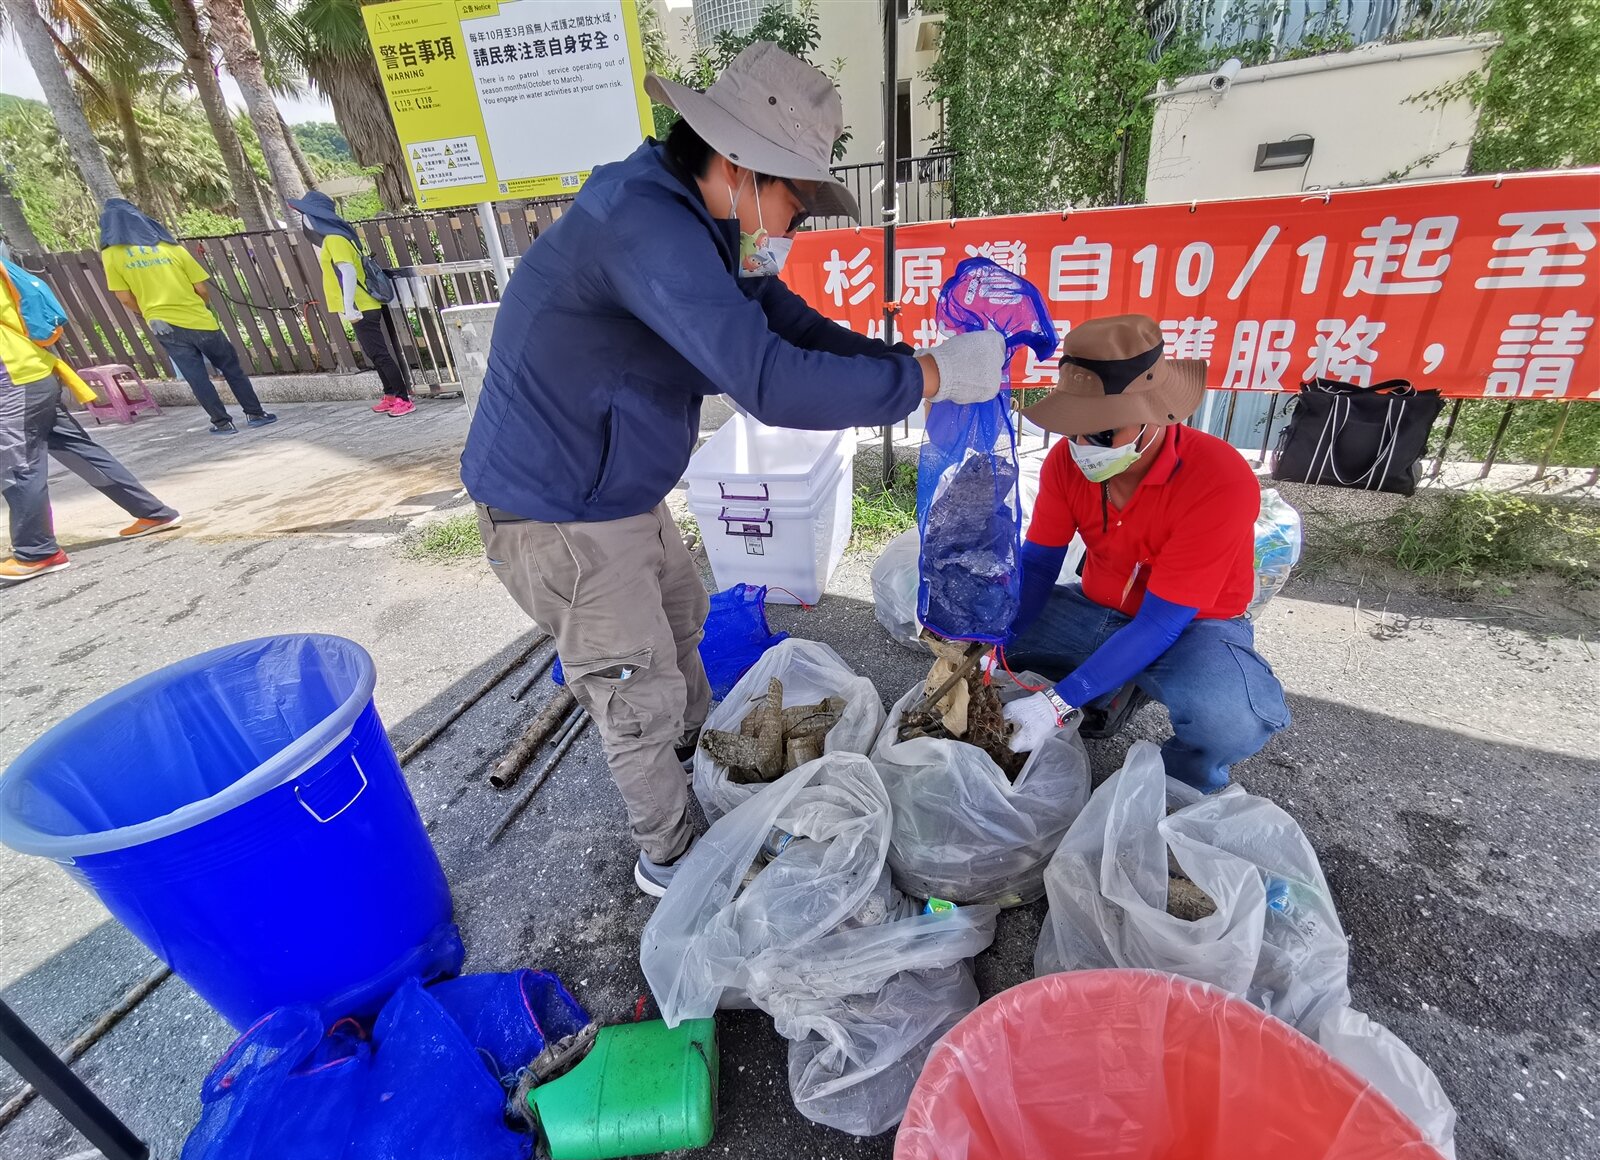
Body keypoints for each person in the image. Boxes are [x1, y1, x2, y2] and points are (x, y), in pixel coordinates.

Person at [460, 42, 1006, 897]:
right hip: (556, 508)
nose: (797, 222)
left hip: (619, 489)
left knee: (680, 632)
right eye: (797, 198)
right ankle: (671, 860)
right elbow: (769, 381)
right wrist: (929, 380)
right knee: (633, 690)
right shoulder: (644, 224)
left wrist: (908, 361)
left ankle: (702, 774)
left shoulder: (711, 220)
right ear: (741, 164)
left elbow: (786, 324)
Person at [999, 313, 1291, 792]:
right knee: (980, 630)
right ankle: (1111, 685)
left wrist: (1057, 702)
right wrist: (997, 639)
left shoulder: (1219, 479)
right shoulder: (1065, 463)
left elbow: (1162, 622)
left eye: (1099, 433)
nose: (1079, 446)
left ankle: (1179, 785)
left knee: (1230, 718)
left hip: (1192, 627)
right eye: (1072, 428)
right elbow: (1038, 563)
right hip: (1096, 610)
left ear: (1154, 414)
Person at [1, 259, 180, 585]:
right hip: (34, 372)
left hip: (13, 381)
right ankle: (153, 512)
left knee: (18, 465)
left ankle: (36, 551)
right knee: (78, 450)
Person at [100, 199, 276, 435]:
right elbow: (202, 289)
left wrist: (147, 312)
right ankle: (255, 413)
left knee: (196, 376)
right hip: (199, 319)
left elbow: (124, 297)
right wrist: (198, 307)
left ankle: (222, 423)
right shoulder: (171, 247)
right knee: (231, 367)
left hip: (163, 325)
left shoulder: (112, 255)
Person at [288, 190, 413, 417]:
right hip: (359, 306)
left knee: (379, 354)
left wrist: (348, 306)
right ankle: (390, 395)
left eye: (305, 214)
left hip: (361, 306)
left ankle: (403, 398)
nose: (303, 219)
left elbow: (348, 271)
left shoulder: (335, 239)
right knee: (374, 354)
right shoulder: (335, 238)